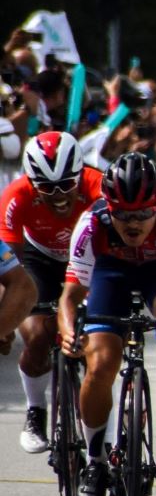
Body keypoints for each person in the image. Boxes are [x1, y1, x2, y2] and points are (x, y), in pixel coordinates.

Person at [59, 154, 156, 496]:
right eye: (123, 215)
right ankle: (96, 461)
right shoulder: (91, 223)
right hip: (110, 272)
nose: (133, 224)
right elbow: (70, 295)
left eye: (143, 214)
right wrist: (69, 331)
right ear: (108, 207)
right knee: (99, 362)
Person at [1, 132, 101, 452]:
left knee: (98, 331)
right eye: (47, 188)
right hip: (36, 258)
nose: (59, 196)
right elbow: (9, 273)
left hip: (87, 255)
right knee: (39, 334)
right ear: (31, 183)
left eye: (66, 185)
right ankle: (35, 411)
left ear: (80, 176)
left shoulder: (99, 186)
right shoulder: (15, 197)